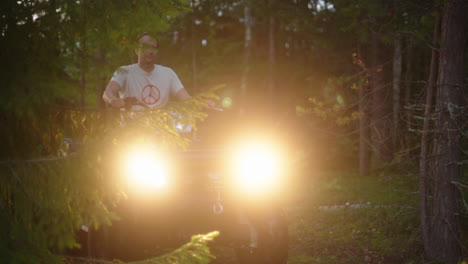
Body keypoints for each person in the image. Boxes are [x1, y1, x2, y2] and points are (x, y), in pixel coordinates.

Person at [103, 32, 192, 110]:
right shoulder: (124, 72)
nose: (150, 51)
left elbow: (186, 99)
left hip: (160, 128)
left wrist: (202, 103)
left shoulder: (168, 73)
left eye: (154, 48)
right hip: (131, 128)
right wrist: (113, 100)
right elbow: (108, 93)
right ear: (136, 50)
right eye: (145, 47)